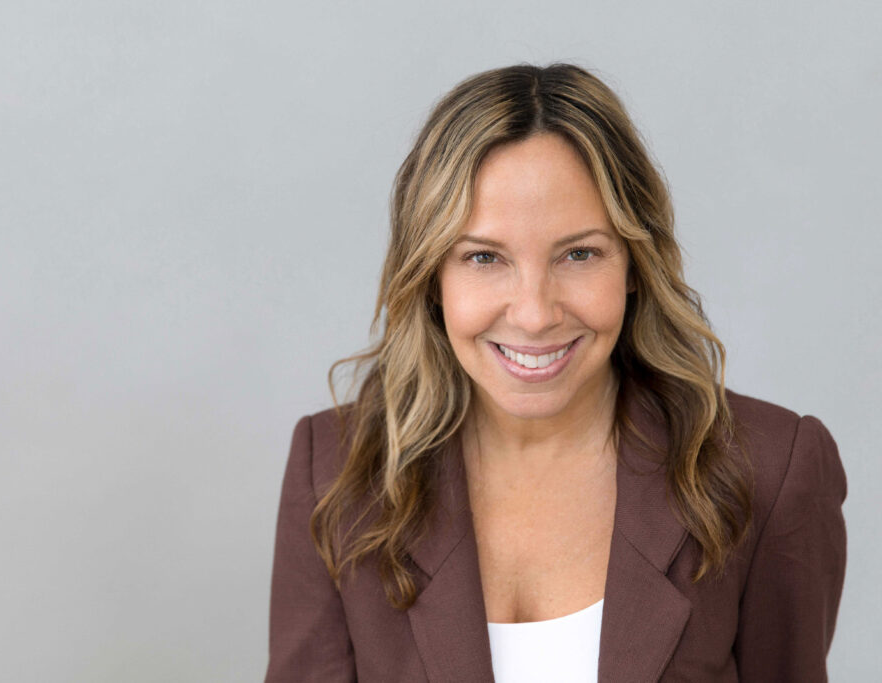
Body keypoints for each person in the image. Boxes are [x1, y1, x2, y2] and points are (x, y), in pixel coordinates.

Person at [265, 63, 847, 682]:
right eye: (484, 257)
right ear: (432, 277)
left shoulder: (769, 468)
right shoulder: (333, 469)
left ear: (634, 264)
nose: (536, 314)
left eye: (579, 254)